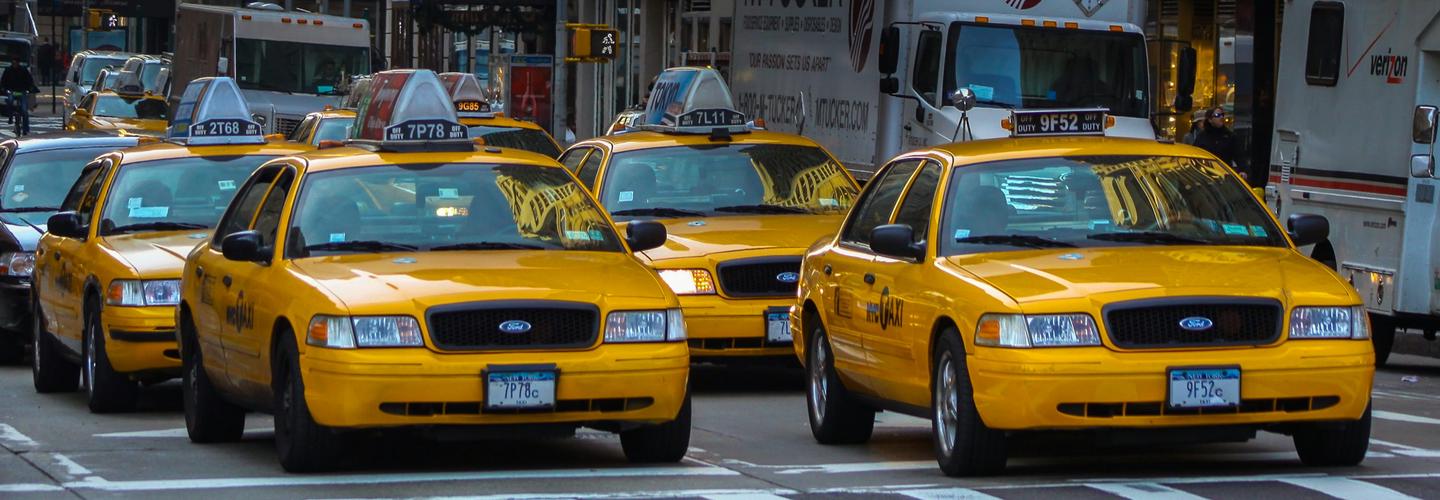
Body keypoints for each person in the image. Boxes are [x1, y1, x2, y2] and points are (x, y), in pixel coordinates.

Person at [1189, 107, 1240, 174]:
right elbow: (1194, 155)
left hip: (1224, 174)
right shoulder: (1202, 136)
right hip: (1206, 173)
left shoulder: (1229, 136)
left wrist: (1243, 170)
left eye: (1222, 115)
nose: (1221, 117)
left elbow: (1239, 156)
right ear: (1210, 119)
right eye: (1217, 115)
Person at [1, 58, 37, 135]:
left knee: (24, 110)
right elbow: (3, 81)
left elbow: (29, 80)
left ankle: (26, 128)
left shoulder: (23, 70)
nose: (14, 65)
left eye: (15, 63)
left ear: (18, 63)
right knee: (9, 101)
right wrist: (4, 89)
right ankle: (10, 116)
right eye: (13, 63)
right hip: (12, 90)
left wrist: (30, 88)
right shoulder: (8, 70)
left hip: (22, 91)